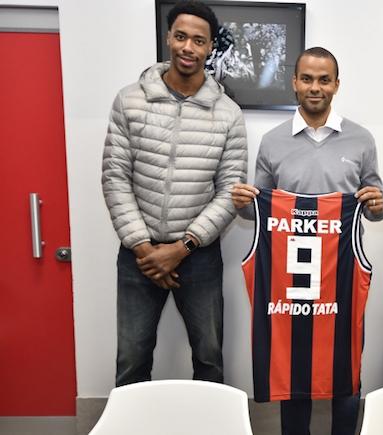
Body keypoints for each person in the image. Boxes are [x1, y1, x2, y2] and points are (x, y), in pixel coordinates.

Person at [232, 47, 383, 435]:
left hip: (342, 274)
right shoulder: (272, 142)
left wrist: (377, 204)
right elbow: (260, 215)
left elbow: (376, 207)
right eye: (307, 79)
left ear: (336, 84)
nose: (314, 87)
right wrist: (242, 206)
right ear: (294, 82)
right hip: (292, 279)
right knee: (294, 367)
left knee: (346, 366)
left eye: (323, 79)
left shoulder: (361, 139)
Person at [101, 0, 247, 387]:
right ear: (168, 37)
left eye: (198, 40)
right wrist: (144, 249)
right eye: (181, 36)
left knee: (209, 358)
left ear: (209, 47)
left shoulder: (228, 113)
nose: (188, 47)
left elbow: (230, 190)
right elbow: (115, 176)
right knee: (131, 360)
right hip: (138, 256)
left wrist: (182, 247)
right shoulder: (129, 99)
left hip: (197, 256)